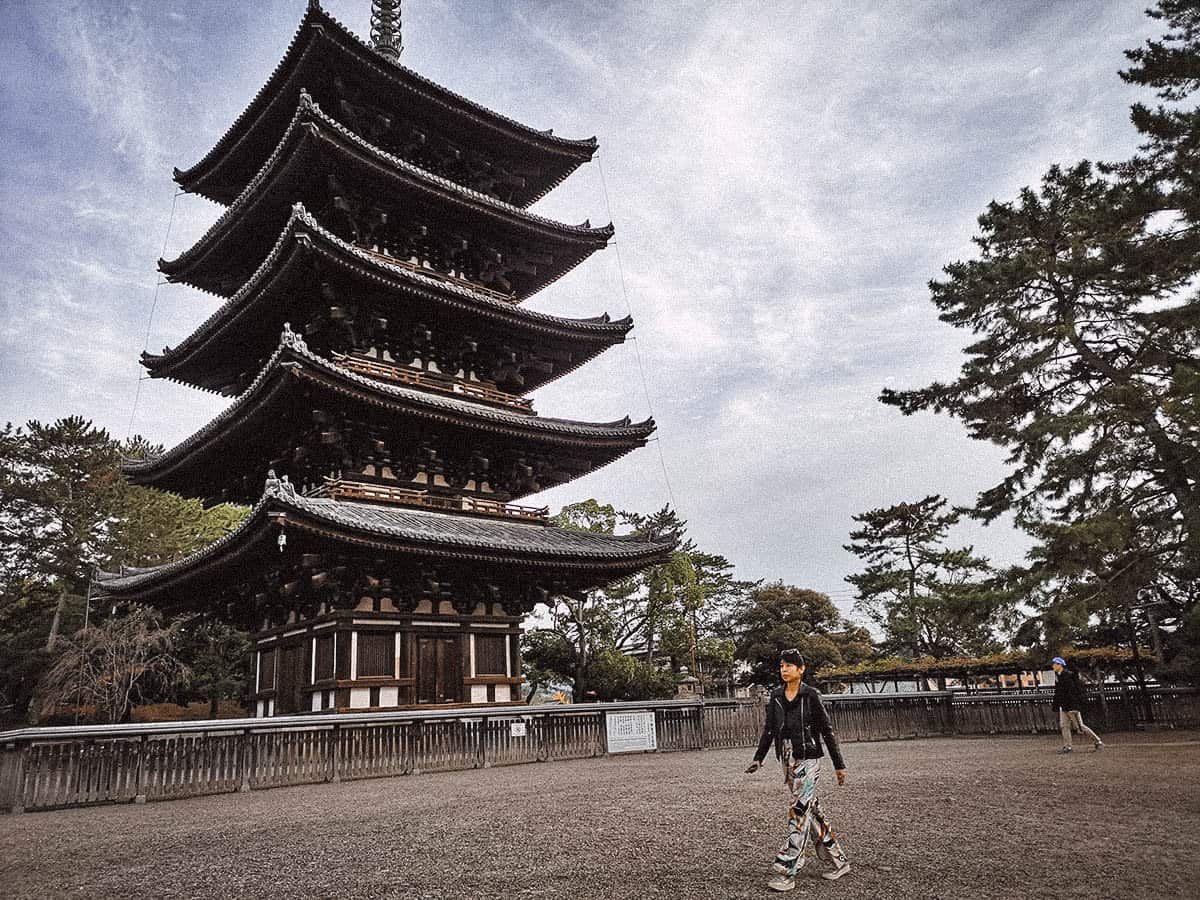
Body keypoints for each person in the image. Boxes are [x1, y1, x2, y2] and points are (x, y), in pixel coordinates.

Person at [745, 649, 851, 892]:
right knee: (810, 811)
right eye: (782, 665)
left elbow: (827, 730)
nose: (784, 669)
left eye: (789, 665)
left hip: (810, 760)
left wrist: (839, 765)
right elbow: (769, 730)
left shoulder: (810, 695)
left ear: (801, 669)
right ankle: (839, 860)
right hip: (787, 760)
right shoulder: (776, 696)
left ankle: (787, 869)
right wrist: (758, 759)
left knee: (799, 811)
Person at [1051, 656, 1103, 753]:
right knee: (1064, 725)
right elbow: (1058, 692)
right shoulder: (1058, 676)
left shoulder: (1068, 675)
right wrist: (1057, 705)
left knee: (1080, 727)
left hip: (1071, 706)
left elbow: (1073, 692)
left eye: (1054, 664)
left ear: (1060, 665)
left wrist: (1075, 706)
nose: (1053, 666)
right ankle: (1068, 746)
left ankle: (1098, 741)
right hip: (1064, 706)